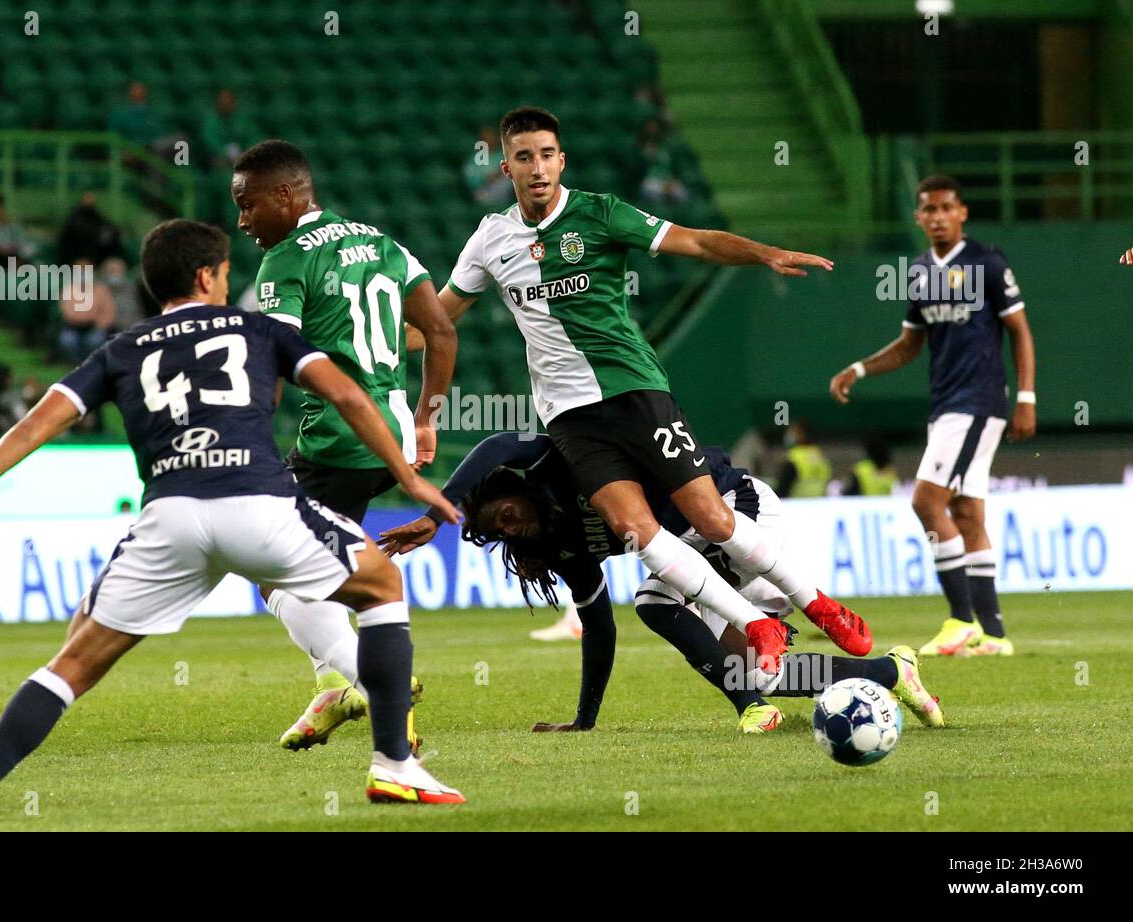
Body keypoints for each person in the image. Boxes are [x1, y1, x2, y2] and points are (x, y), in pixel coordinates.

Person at [0, 219, 465, 822]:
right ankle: (395, 766)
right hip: (260, 508)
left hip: (170, 520)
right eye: (222, 271)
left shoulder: (121, 349)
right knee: (380, 584)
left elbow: (37, 423)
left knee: (72, 664)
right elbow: (348, 395)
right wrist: (406, 474)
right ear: (206, 275)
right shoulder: (259, 329)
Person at [421, 106, 854, 676]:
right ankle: (756, 625)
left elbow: (696, 243)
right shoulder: (490, 240)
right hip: (569, 418)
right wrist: (365, 349)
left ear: (561, 160)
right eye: (524, 157)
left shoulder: (600, 214)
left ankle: (817, 603)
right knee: (636, 532)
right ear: (506, 168)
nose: (538, 167)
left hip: (633, 390)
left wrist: (762, 253)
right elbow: (437, 322)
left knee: (710, 516)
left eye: (547, 154)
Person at [375, 433, 908, 737]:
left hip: (733, 510)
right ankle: (889, 671)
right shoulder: (568, 551)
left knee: (654, 600)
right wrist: (583, 720)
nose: (509, 526)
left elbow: (494, 446)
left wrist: (436, 510)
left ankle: (751, 706)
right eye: (501, 533)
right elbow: (598, 629)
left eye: (504, 514)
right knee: (754, 670)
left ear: (505, 491)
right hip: (700, 545)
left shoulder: (554, 463)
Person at [231, 140, 458, 751]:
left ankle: (371, 678)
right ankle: (332, 683)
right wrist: (428, 418)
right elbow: (439, 329)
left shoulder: (284, 261)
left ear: (285, 195)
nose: (243, 221)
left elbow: (275, 359)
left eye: (248, 205)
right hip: (394, 440)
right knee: (314, 568)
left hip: (338, 440)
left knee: (270, 566)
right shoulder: (382, 242)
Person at [829, 175, 1036, 658]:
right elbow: (909, 345)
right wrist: (860, 368)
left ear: (962, 212)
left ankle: (960, 619)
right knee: (966, 513)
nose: (938, 216)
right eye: (929, 209)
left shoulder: (987, 262)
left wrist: (1026, 396)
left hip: (978, 401)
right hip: (946, 404)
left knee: (925, 502)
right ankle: (995, 635)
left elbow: (1020, 332)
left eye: (947, 207)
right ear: (919, 217)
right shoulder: (919, 271)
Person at [57, 259, 116, 364]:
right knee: (68, 341)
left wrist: (99, 325)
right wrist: (78, 320)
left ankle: (92, 364)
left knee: (94, 341)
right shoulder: (69, 289)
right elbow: (66, 310)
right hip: (74, 327)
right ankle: (76, 364)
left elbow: (108, 312)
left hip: (95, 327)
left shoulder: (101, 290)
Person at [775, 420, 832, 498]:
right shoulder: (820, 455)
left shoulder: (794, 457)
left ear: (802, 434)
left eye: (794, 432)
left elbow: (782, 488)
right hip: (819, 504)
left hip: (797, 504)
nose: (791, 435)